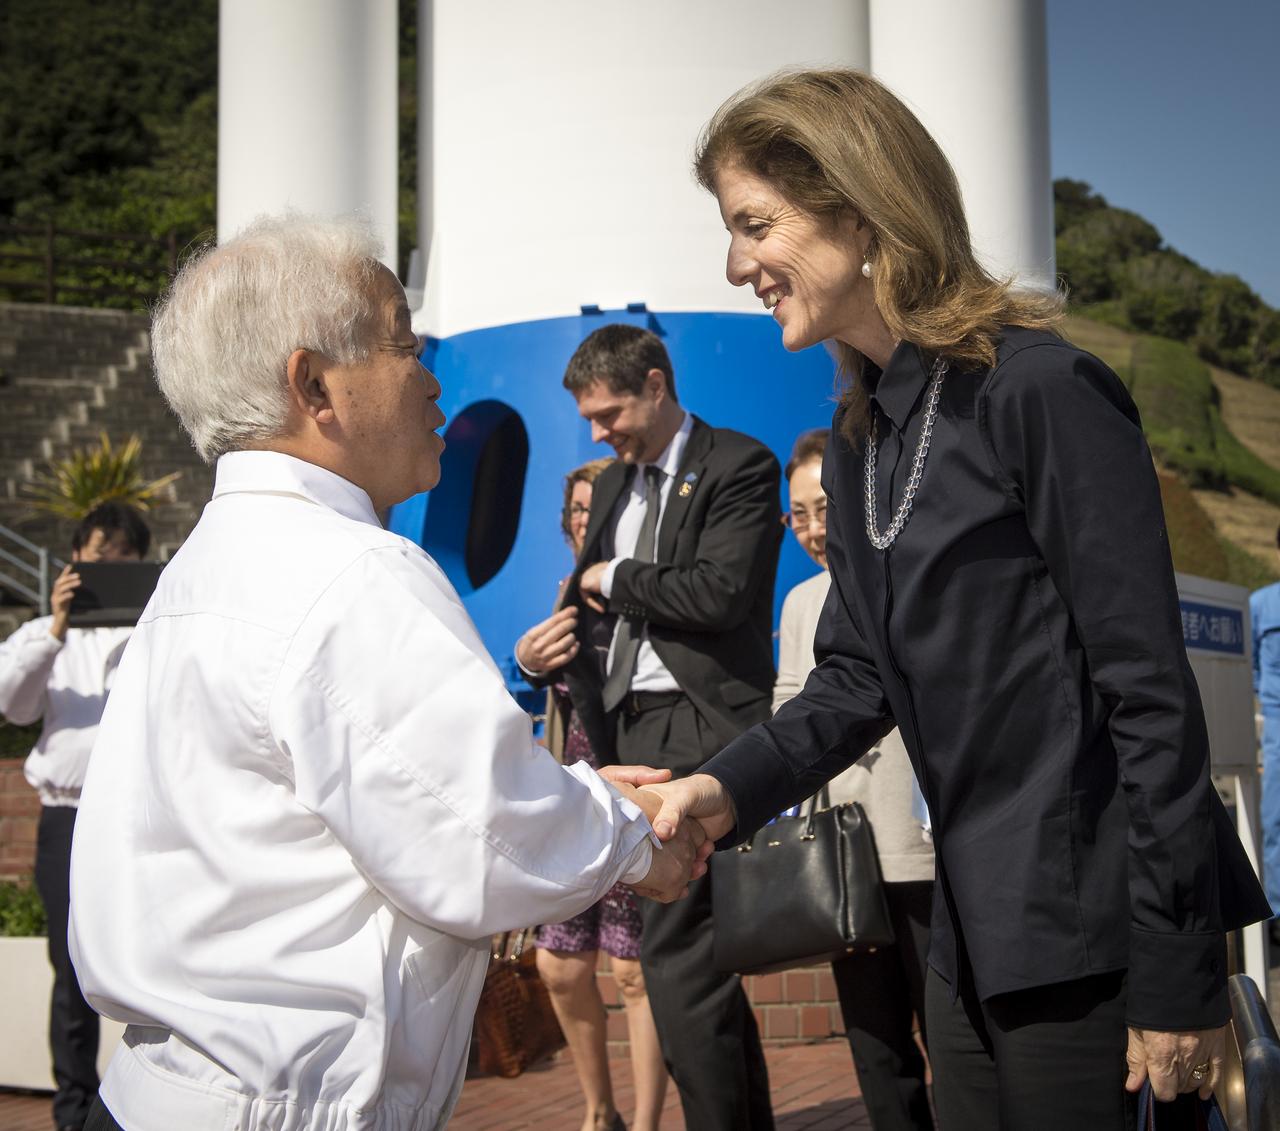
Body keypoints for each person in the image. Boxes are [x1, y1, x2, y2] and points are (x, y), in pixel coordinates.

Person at [636, 68, 1270, 1131]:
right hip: (968, 927)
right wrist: (720, 791)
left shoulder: (1038, 392)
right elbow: (856, 677)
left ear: (857, 205)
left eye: (755, 224)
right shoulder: (857, 440)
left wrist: (1173, 969)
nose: (736, 263)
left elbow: (1149, 697)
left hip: (1091, 931)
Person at [66, 214, 707, 1131]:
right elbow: (483, 837)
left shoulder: (198, 573)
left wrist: (573, 798)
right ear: (314, 383)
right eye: (405, 344)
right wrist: (635, 833)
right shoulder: (350, 573)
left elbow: (409, 799)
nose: (433, 379)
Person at [520, 322, 782, 1131]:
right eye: (591, 420)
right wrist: (533, 658)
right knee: (697, 961)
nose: (599, 434)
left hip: (703, 728)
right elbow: (583, 610)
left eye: (610, 413)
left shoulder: (741, 464)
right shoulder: (609, 486)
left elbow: (718, 593)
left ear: (658, 386)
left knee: (673, 960)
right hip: (624, 732)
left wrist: (612, 575)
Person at [773, 428, 934, 1131]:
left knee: (955, 1043)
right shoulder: (801, 602)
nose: (811, 528)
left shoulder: (910, 575)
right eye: (797, 514)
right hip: (844, 862)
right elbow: (788, 708)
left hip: (923, 851)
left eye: (823, 507)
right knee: (876, 1047)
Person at [516, 457, 668, 1131]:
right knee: (559, 964)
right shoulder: (562, 596)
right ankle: (598, 1108)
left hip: (631, 793)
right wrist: (524, 664)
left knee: (634, 972)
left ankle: (645, 1122)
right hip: (572, 796)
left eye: (595, 507)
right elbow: (521, 702)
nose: (585, 520)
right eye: (576, 509)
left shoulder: (645, 590)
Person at [0, 502, 150, 1131]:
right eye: (97, 556)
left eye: (123, 560)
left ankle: (142, 1101)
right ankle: (72, 1109)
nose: (107, 567)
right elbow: (13, 705)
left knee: (152, 952)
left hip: (139, 819)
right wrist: (57, 626)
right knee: (70, 965)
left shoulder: (154, 631)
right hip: (67, 818)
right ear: (74, 559)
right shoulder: (42, 635)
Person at [1252, 526, 1280, 929]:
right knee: (1276, 820)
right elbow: (1252, 666)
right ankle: (1278, 914)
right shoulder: (1260, 604)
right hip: (1278, 726)